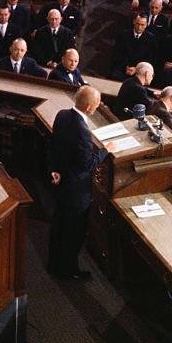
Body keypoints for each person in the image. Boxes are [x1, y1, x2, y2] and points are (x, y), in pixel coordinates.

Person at [47, 87, 117, 280]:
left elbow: (54, 145)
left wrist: (54, 169)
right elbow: (89, 165)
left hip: (62, 182)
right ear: (88, 107)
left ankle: (53, 265)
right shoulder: (82, 131)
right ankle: (69, 271)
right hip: (76, 191)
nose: (98, 106)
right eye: (97, 104)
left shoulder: (62, 115)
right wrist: (106, 150)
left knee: (59, 226)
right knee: (73, 233)